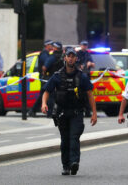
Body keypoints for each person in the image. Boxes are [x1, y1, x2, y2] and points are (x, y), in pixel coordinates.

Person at [41, 47, 97, 175]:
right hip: (62, 113)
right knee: (65, 140)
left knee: (74, 137)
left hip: (76, 113)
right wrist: (44, 104)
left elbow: (90, 94)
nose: (71, 58)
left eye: (73, 56)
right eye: (69, 56)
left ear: (76, 58)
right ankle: (66, 165)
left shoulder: (81, 76)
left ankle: (74, 163)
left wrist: (94, 113)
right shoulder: (57, 76)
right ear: (65, 58)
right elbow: (47, 91)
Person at [29, 39, 53, 117]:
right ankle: (34, 110)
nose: (51, 46)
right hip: (44, 77)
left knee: (43, 95)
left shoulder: (47, 54)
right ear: (46, 45)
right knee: (46, 94)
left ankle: (33, 110)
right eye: (50, 44)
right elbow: (46, 64)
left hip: (46, 77)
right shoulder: (44, 54)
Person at [41, 41, 64, 117]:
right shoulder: (63, 57)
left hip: (53, 78)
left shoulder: (52, 57)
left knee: (51, 96)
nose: (52, 48)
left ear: (55, 48)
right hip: (62, 78)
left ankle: (50, 113)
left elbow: (44, 67)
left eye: (54, 46)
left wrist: (44, 74)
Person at [76, 40, 95, 117]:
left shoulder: (88, 54)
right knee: (79, 94)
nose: (84, 46)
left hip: (86, 76)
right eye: (83, 45)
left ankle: (87, 111)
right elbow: (74, 64)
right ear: (80, 45)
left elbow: (93, 64)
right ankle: (79, 111)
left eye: (86, 45)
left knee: (88, 94)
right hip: (79, 76)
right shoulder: (77, 54)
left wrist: (90, 63)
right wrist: (79, 66)